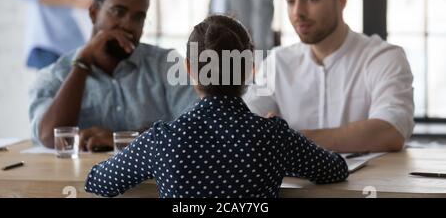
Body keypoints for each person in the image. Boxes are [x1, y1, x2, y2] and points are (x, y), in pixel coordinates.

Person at [84, 15, 349, 198]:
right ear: (248, 69)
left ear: (189, 69)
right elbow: (335, 169)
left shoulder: (162, 141)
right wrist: (284, 157)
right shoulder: (274, 137)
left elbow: (98, 182)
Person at [244, 0, 415, 153]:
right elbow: (245, 126)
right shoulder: (276, 63)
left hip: (369, 185)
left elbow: (390, 131)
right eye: (291, 1)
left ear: (341, 1)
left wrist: (288, 139)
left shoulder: (384, 58)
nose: (298, 12)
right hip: (293, 185)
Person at [29, 0, 198, 150]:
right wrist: (82, 64)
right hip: (80, 177)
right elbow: (49, 137)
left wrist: (122, 140)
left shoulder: (167, 65)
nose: (128, 25)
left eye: (138, 17)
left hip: (154, 178)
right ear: (93, 13)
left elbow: (198, 126)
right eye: (118, 12)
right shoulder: (54, 76)